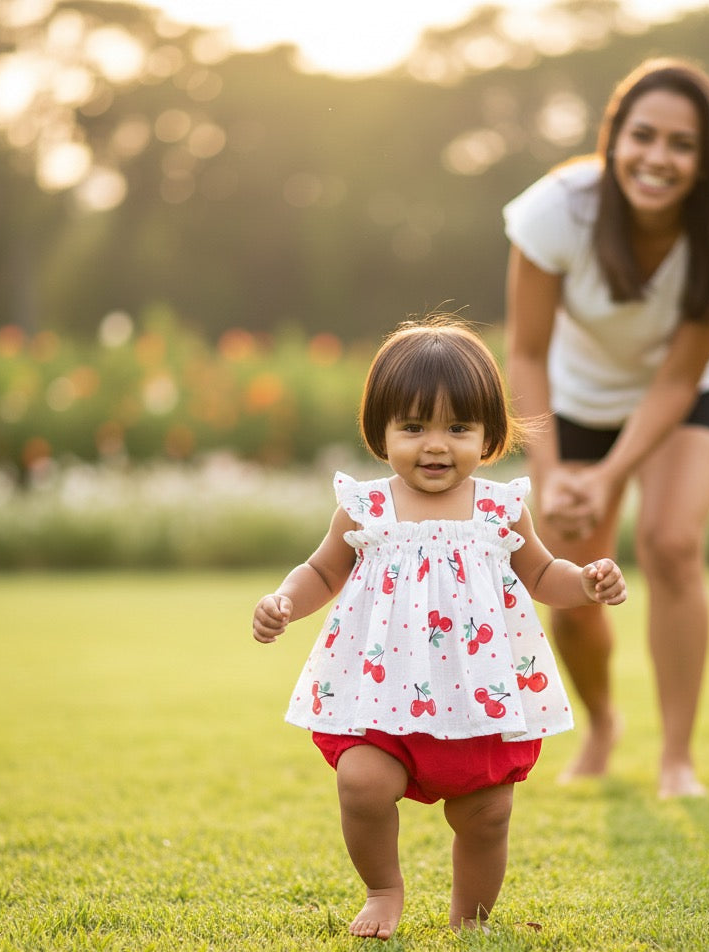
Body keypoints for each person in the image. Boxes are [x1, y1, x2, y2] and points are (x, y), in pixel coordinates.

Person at [252, 318, 627, 940]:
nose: (436, 445)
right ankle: (383, 888)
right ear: (381, 431)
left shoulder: (499, 508)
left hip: (478, 698)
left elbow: (541, 574)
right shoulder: (366, 507)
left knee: (487, 814)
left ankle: (471, 920)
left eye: (459, 428)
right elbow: (322, 570)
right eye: (414, 426)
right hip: (380, 695)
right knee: (363, 782)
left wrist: (585, 583)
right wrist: (285, 601)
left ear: (488, 434)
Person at [503, 57, 709, 799]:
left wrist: (611, 477)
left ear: (706, 159)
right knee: (568, 579)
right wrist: (554, 476)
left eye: (682, 145)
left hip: (689, 395)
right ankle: (601, 723)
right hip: (574, 397)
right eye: (643, 136)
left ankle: (677, 760)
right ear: (614, 138)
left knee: (671, 542)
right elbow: (525, 351)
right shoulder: (558, 209)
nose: (658, 158)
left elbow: (676, 380)